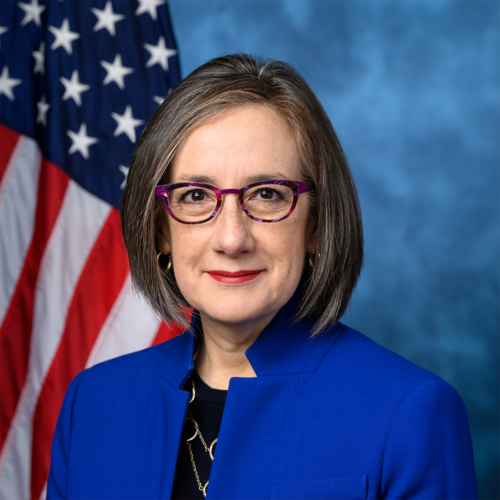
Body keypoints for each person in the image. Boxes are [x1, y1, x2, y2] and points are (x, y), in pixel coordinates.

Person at [47, 54, 477, 500]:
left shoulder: (410, 413)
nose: (232, 239)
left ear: (315, 226)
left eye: (267, 194)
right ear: (162, 231)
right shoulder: (93, 405)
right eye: (195, 195)